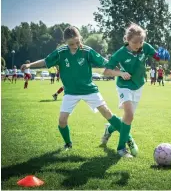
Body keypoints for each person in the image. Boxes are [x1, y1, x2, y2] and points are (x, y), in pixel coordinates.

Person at [21, 26, 134, 152]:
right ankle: (68, 144)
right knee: (62, 121)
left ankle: (128, 138)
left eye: (77, 41)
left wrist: (120, 69)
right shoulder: (60, 52)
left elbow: (104, 62)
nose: (75, 45)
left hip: (89, 90)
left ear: (80, 38)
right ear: (66, 42)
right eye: (71, 43)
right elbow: (45, 61)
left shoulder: (87, 51)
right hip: (70, 92)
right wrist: (29, 65)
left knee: (107, 113)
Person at [103, 23, 161, 158]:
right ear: (127, 40)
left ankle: (110, 128)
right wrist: (120, 73)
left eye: (141, 41)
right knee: (129, 115)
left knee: (126, 119)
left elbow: (159, 59)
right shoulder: (120, 53)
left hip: (138, 85)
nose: (138, 45)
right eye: (135, 42)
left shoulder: (145, 47)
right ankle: (121, 149)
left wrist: (163, 57)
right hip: (124, 85)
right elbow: (106, 71)